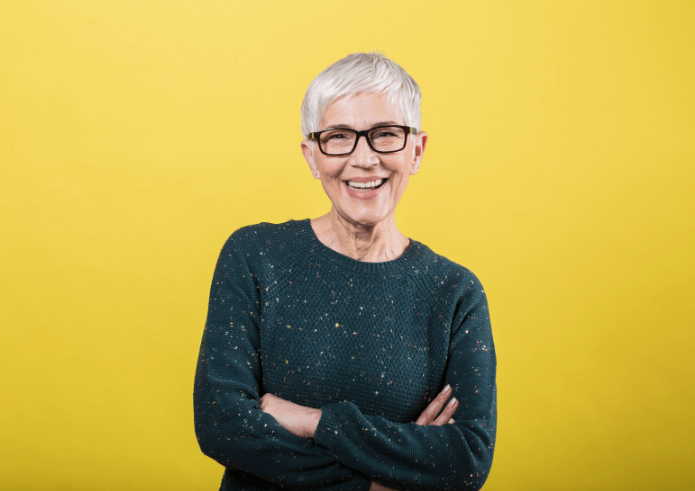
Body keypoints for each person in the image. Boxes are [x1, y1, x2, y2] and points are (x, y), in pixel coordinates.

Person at [194, 52, 497, 491]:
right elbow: (223, 424)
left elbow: (465, 460)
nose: (364, 159)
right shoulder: (254, 255)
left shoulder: (455, 292)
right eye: (338, 137)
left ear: (417, 150)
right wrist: (378, 482)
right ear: (312, 155)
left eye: (385, 135)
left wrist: (311, 421)